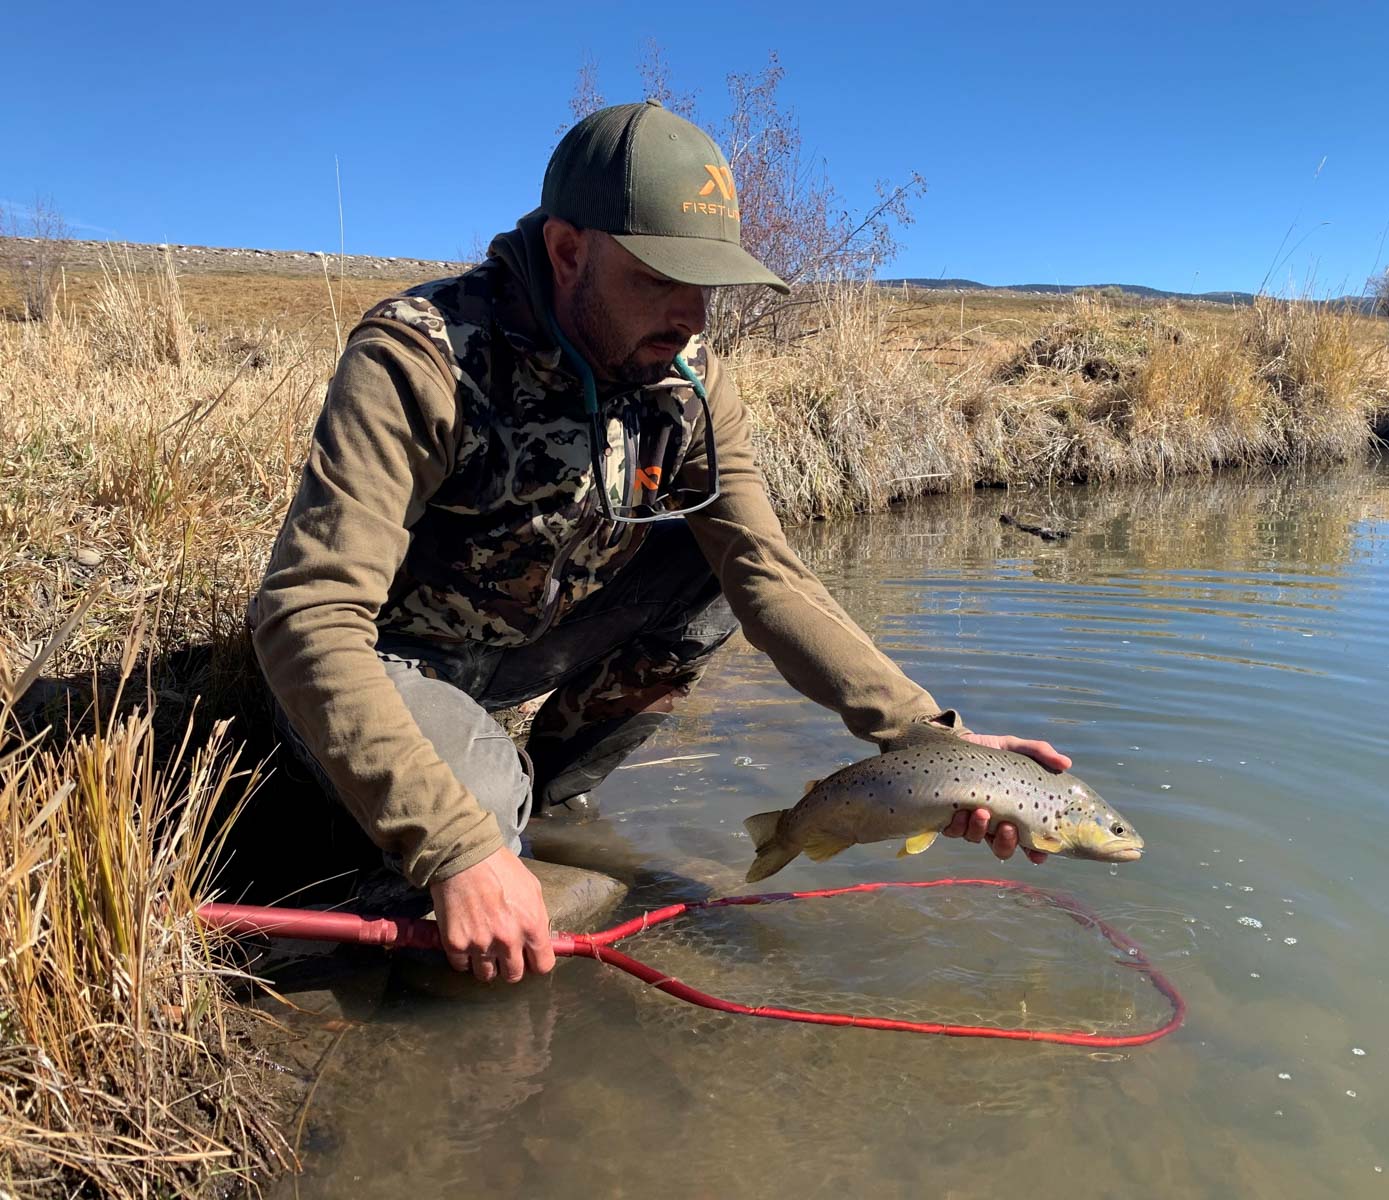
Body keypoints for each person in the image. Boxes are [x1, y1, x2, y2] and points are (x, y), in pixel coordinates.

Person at [249, 100, 1072, 986]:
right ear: (570, 252)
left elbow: (765, 573)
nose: (693, 315)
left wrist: (930, 739)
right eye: (660, 278)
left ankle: (533, 796)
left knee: (711, 571)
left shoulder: (690, 380)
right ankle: (462, 821)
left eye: (707, 284)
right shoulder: (420, 359)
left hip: (516, 653)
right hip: (394, 661)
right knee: (475, 828)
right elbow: (306, 615)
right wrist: (455, 848)